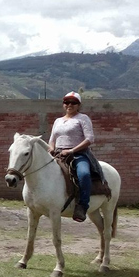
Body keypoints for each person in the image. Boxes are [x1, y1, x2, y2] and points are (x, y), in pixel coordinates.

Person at [48, 91, 95, 223]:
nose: (69, 105)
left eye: (73, 102)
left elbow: (89, 139)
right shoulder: (58, 121)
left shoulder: (83, 118)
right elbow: (52, 139)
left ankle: (82, 206)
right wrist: (51, 148)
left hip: (78, 155)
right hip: (58, 154)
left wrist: (72, 150)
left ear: (78, 105)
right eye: (66, 102)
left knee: (84, 174)